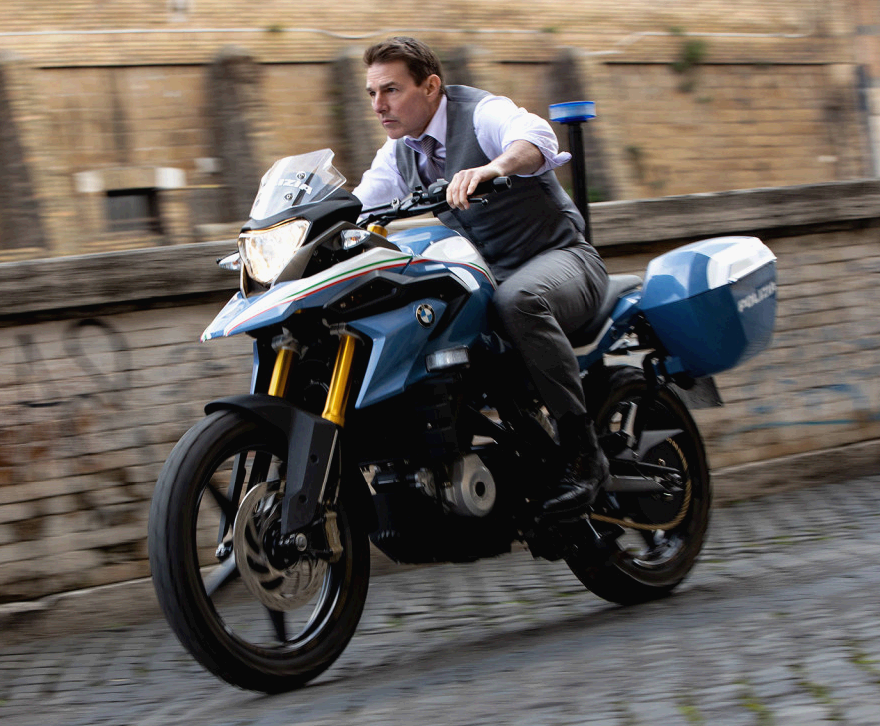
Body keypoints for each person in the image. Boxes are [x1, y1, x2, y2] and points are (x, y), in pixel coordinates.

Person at [353, 36, 610, 516]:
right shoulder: (399, 153)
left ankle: (584, 453)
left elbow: (535, 138)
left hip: (563, 259)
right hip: (493, 277)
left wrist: (493, 167)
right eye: (372, 93)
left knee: (518, 302)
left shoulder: (480, 114)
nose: (378, 105)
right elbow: (360, 205)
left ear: (431, 86)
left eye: (390, 90)